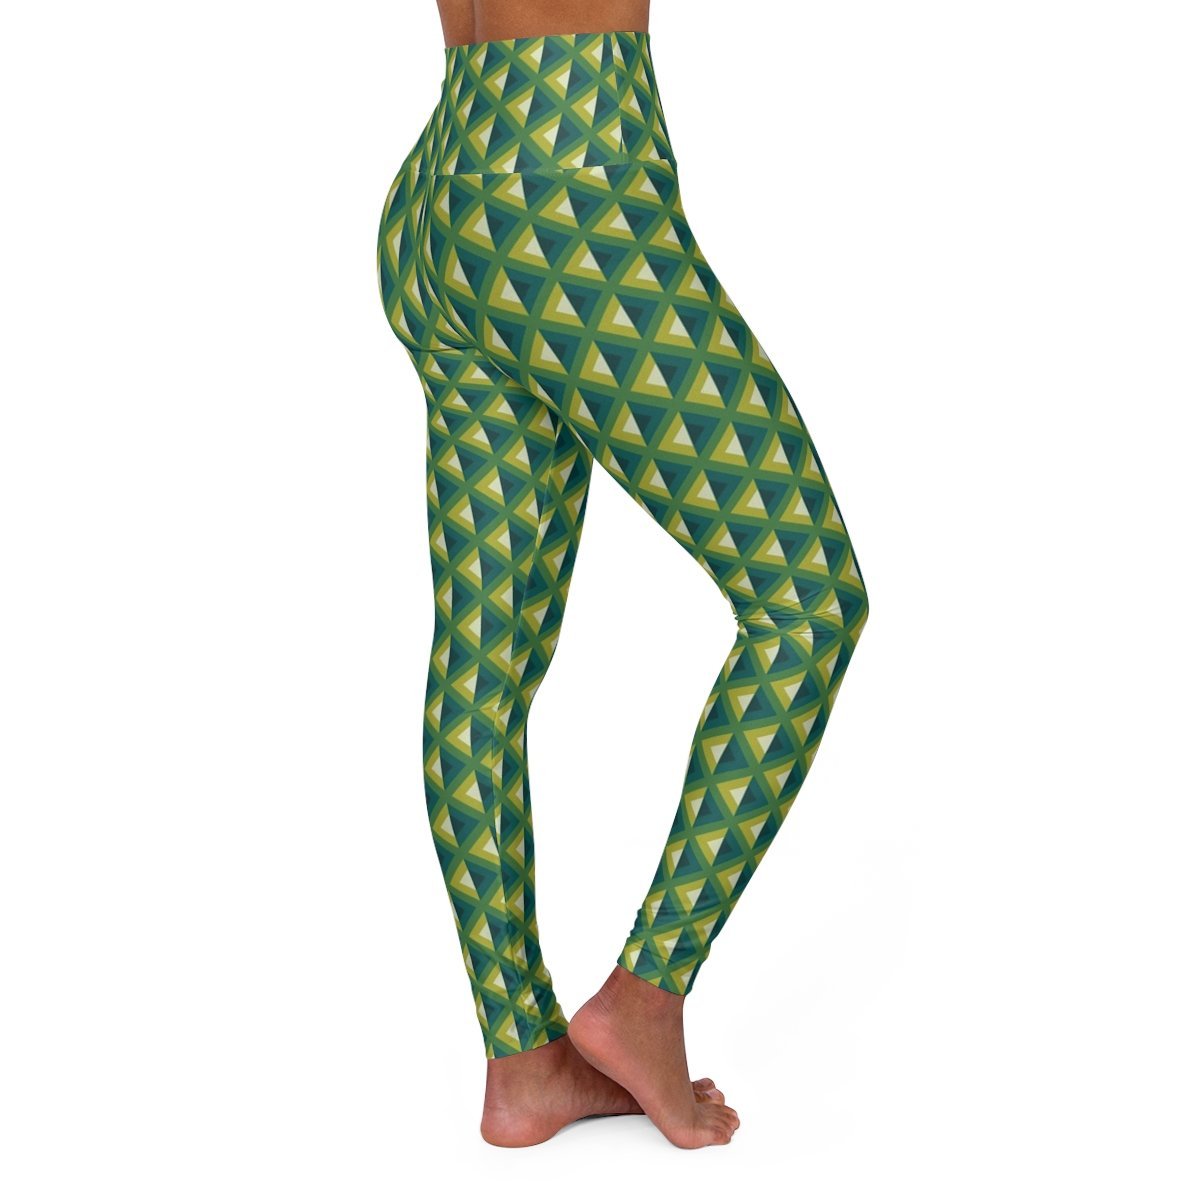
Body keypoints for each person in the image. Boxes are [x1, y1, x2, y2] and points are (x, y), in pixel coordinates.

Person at [376, 0, 869, 1149]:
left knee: (484, 660)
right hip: (571, 172)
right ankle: (643, 998)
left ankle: (522, 1066)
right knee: (810, 601)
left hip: (447, 188)